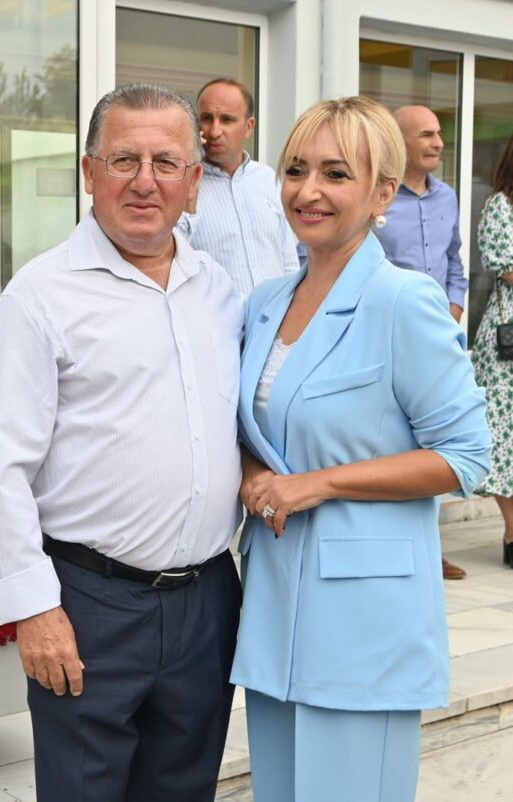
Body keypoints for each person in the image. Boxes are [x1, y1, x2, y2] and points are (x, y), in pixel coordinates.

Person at [0, 83, 244, 802]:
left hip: (208, 602)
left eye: (165, 162)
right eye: (124, 160)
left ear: (194, 181)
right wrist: (34, 608)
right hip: (90, 605)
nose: (145, 181)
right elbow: (0, 468)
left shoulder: (220, 292)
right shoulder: (40, 296)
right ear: (90, 173)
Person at [234, 96, 490, 802]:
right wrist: (254, 472)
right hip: (273, 602)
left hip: (364, 617)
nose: (308, 190)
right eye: (295, 169)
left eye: (335, 173)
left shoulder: (404, 300)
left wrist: (318, 484)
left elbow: (467, 455)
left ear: (382, 194)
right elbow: (259, 433)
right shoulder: (264, 302)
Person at [375, 104, 471, 580]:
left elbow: (455, 262)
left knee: (434, 443)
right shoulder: (377, 199)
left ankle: (430, 548)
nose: (438, 143)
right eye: (427, 135)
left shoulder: (447, 197)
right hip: (387, 338)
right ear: (400, 141)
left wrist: (452, 311)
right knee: (393, 442)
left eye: (439, 134)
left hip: (438, 337)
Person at [178, 78, 299, 296]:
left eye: (227, 119)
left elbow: (288, 259)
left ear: (248, 127)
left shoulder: (268, 179)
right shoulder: (184, 184)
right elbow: (172, 259)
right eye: (207, 118)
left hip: (273, 314)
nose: (214, 131)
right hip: (214, 315)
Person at [470, 133, 513, 568]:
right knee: (504, 434)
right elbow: (504, 267)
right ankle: (512, 532)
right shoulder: (500, 204)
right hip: (507, 339)